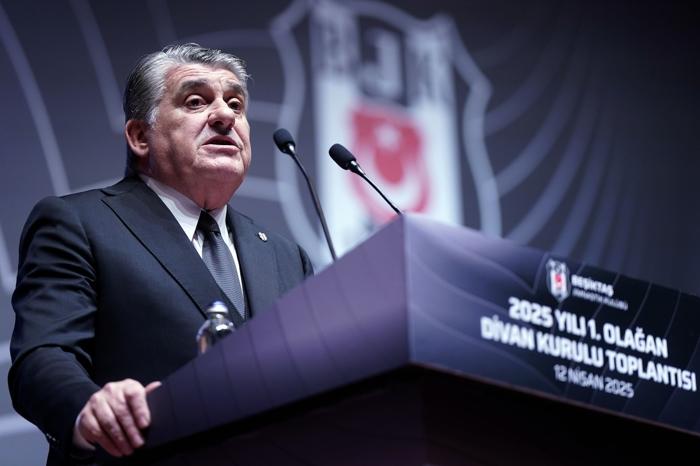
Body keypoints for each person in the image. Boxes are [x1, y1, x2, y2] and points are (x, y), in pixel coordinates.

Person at [8, 43, 313, 465]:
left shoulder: (285, 256)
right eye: (196, 102)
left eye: (236, 104)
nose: (225, 116)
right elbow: (44, 357)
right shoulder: (79, 222)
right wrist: (89, 407)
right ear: (139, 136)